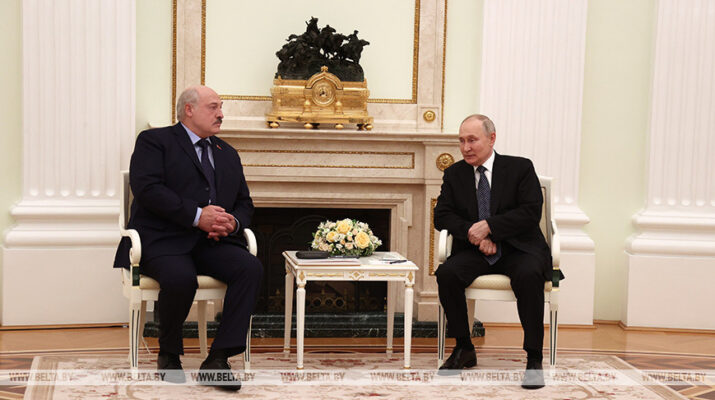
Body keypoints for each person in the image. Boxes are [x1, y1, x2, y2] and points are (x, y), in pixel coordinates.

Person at [114, 85, 262, 391]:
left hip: (212, 242)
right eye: (213, 107)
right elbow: (148, 190)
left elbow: (244, 202)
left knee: (250, 268)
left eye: (221, 107)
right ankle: (169, 354)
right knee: (180, 278)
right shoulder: (155, 141)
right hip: (163, 240)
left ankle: (218, 359)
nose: (221, 114)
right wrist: (197, 216)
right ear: (189, 110)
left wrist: (232, 223)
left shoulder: (227, 153)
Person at [434, 114, 556, 389]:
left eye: (472, 140)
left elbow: (530, 212)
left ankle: (534, 358)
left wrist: (491, 227)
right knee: (447, 274)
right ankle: (464, 347)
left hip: (519, 248)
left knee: (529, 274)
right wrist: (475, 233)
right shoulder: (454, 174)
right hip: (476, 251)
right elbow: (441, 216)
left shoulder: (520, 168)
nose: (466, 147)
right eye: (461, 141)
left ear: (492, 138)